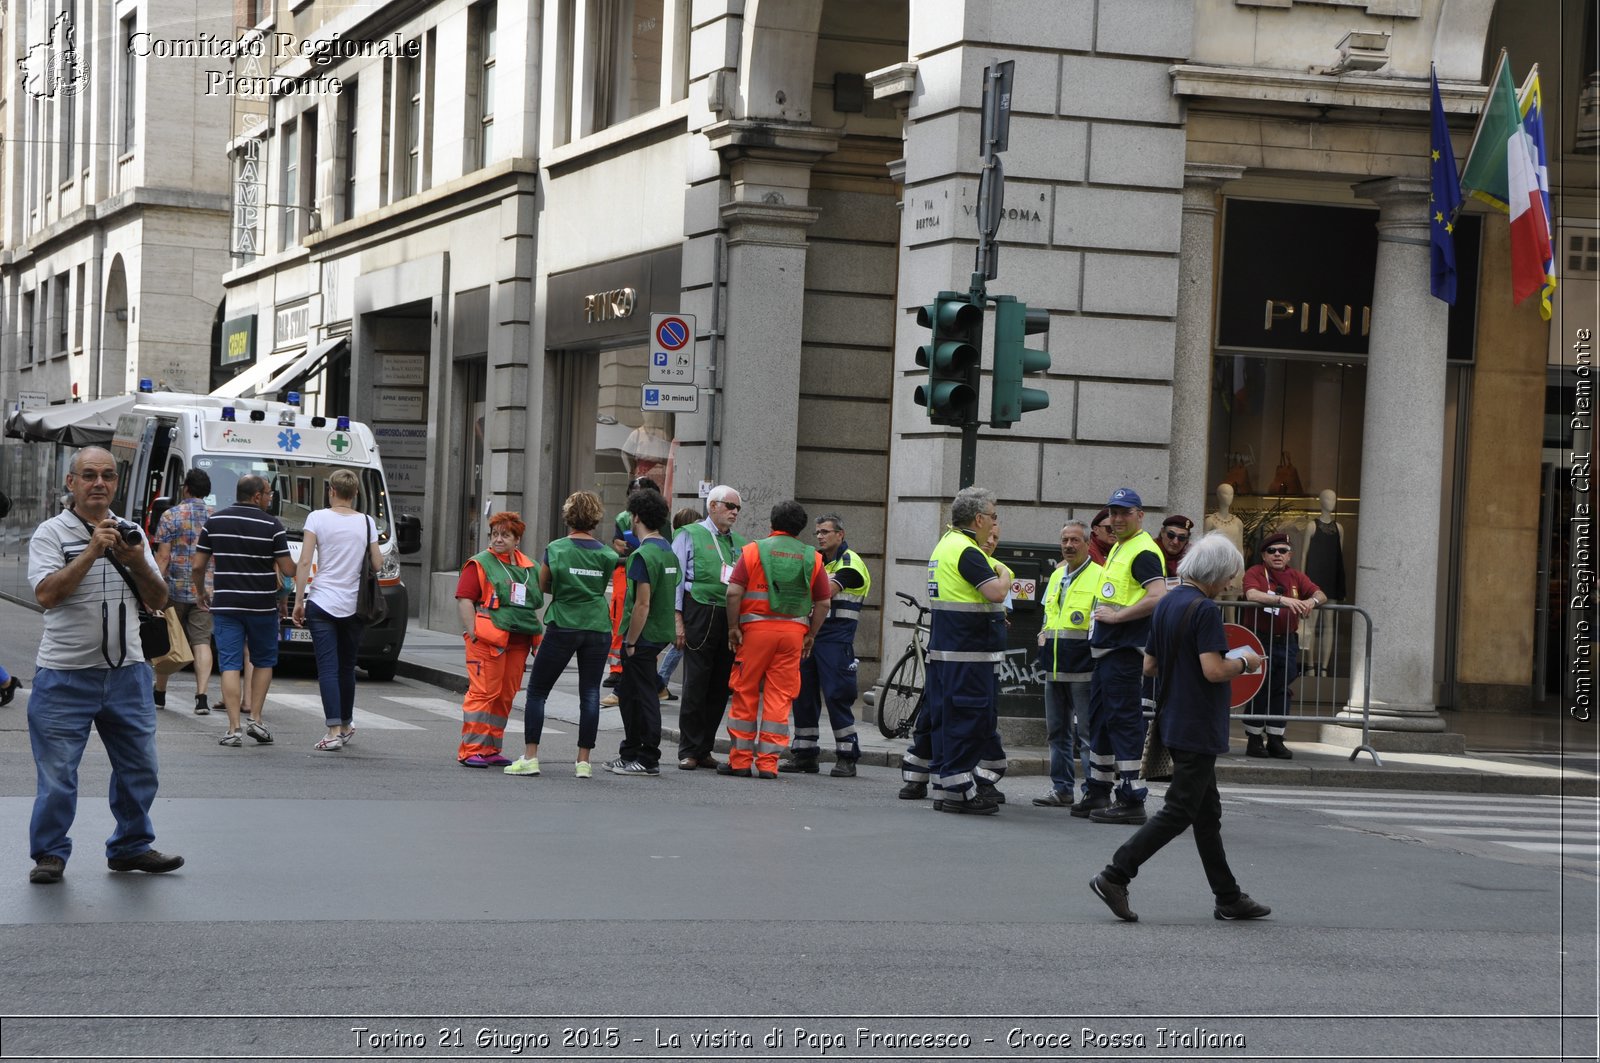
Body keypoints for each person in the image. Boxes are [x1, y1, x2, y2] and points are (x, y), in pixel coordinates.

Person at [1089, 531, 1271, 924]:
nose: (1228, 586)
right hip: (1199, 721)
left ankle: (1228, 896)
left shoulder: (1169, 602)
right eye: (1228, 578)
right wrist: (1247, 662)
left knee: (1207, 813)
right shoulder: (1205, 610)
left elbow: (1150, 665)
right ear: (1216, 573)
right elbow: (1213, 669)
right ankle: (1115, 874)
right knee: (1180, 810)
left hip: (1175, 716)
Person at [26, 446, 183, 884]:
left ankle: (131, 846)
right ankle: (50, 854)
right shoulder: (50, 535)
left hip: (128, 673)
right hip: (64, 675)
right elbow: (46, 596)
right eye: (89, 475)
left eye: (108, 476)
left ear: (117, 483)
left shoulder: (133, 534)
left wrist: (136, 563)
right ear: (71, 483)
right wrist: (91, 552)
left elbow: (158, 599)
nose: (99, 483)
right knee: (58, 775)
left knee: (140, 768)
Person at [506, 491, 618, 779]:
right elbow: (599, 587)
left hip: (564, 622)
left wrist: (567, 587)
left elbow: (542, 585)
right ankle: (583, 761)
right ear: (595, 517)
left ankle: (530, 757)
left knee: (538, 692)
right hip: (597, 625)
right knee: (591, 694)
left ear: (568, 516)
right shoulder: (608, 554)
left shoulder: (556, 549)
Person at [718, 501, 830, 779]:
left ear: (772, 522)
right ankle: (768, 763)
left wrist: (733, 627)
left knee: (745, 692)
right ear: (801, 528)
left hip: (755, 632)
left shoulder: (755, 550)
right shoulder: (812, 557)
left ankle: (740, 761)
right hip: (793, 634)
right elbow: (824, 602)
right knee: (779, 696)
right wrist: (811, 635)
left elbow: (733, 593)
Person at [920, 486, 1012, 815]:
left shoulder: (945, 546)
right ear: (978, 518)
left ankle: (950, 785)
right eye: (993, 516)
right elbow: (996, 593)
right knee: (966, 720)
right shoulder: (968, 552)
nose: (994, 523)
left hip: (949, 654)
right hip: (968, 656)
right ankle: (959, 793)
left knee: (949, 720)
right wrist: (1003, 570)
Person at [1080, 487, 1168, 826]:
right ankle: (1099, 790)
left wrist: (1117, 618)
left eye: (1125, 513)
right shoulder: (1121, 547)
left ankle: (1131, 797)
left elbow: (1158, 596)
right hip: (1107, 651)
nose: (1117, 519)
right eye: (1113, 513)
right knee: (1102, 721)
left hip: (1125, 651)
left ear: (1140, 515)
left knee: (1123, 721)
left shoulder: (1143, 550)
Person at [193, 474, 295, 748]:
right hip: (262, 606)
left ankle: (233, 728)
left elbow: (198, 566)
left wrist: (201, 592)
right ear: (256, 496)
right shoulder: (272, 525)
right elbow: (288, 570)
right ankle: (257, 720)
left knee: (229, 664)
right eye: (269, 494)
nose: (270, 498)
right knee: (263, 661)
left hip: (226, 605)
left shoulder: (215, 522)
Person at [290, 470, 383, 752]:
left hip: (322, 601)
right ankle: (345, 724)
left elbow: (305, 561)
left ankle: (332, 731)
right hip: (354, 604)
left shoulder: (316, 518)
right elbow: (377, 564)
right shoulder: (367, 522)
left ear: (331, 490)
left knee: (327, 668)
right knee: (347, 666)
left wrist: (298, 600)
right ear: (355, 493)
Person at [780, 513, 869, 777]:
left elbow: (825, 591)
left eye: (825, 532)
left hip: (835, 640)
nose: (819, 536)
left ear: (840, 534)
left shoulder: (852, 563)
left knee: (837, 696)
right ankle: (805, 754)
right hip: (809, 636)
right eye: (817, 532)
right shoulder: (816, 560)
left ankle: (847, 756)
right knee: (803, 696)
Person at [455, 511, 543, 768]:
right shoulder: (480, 563)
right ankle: (471, 749)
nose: (498, 539)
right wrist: (473, 632)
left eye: (505, 535)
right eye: (495, 534)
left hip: (518, 642)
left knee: (505, 694)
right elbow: (465, 599)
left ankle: (491, 748)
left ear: (517, 539)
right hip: (487, 641)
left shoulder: (529, 567)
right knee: (483, 693)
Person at [605, 489, 681, 776]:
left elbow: (642, 603)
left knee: (643, 696)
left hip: (642, 635)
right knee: (630, 693)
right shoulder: (667, 552)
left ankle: (647, 756)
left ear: (635, 517)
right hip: (661, 630)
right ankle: (631, 752)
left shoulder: (642, 556)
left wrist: (632, 641)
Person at [671, 485, 748, 770]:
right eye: (729, 506)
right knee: (696, 682)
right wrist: (677, 618)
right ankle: (688, 749)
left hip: (729, 615)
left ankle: (704, 748)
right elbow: (676, 578)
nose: (734, 512)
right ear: (712, 506)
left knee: (719, 685)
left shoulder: (739, 542)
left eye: (738, 507)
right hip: (699, 609)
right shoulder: (689, 534)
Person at [1241, 531, 1325, 759]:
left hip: (1287, 641)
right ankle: (1255, 739)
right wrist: (1282, 599)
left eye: (1282, 551)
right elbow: (1251, 594)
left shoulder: (1296, 576)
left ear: (1290, 555)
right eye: (1272, 551)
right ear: (1264, 555)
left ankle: (1276, 739)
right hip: (1261, 640)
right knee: (1261, 688)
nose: (1277, 554)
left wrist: (1311, 601)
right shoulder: (1256, 572)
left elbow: (1320, 594)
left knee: (1281, 690)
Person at [1032, 520, 1099, 808]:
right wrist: (1042, 634)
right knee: (1056, 732)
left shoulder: (1099, 576)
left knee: (1087, 734)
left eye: (1075, 540)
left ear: (1087, 544)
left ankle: (1093, 791)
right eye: (1064, 540)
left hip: (1083, 667)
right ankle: (1062, 789)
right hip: (1054, 666)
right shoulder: (1058, 575)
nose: (1069, 545)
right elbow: (1048, 614)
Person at [152, 468, 215, 715]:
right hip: (206, 590)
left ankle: (160, 693)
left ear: (186, 488)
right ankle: (201, 697)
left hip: (173, 589)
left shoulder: (171, 516)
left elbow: (163, 556)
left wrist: (154, 588)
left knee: (166, 641)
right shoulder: (215, 517)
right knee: (202, 642)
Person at [602, 476, 661, 706]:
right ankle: (617, 668)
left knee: (640, 615)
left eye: (641, 490)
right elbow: (616, 542)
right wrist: (623, 545)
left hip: (641, 566)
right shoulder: (622, 517)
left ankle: (639, 680)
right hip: (625, 568)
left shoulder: (657, 516)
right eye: (634, 489)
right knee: (619, 618)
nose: (636, 493)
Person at [652, 506, 703, 702]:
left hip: (677, 605)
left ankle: (659, 683)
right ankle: (659, 682)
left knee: (676, 645)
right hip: (679, 606)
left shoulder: (678, 543)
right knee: (676, 644)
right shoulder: (683, 542)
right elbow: (677, 579)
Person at [1297, 488, 1346, 676]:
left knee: (1329, 623)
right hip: (1314, 577)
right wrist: (1302, 580)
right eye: (1327, 498)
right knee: (1311, 623)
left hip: (1332, 578)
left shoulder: (1339, 528)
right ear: (1320, 501)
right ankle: (1310, 665)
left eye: (1334, 498)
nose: (1331, 501)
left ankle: (1324, 666)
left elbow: (1339, 556)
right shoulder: (1312, 526)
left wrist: (1341, 581)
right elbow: (1303, 554)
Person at [1205, 484, 1245, 596]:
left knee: (1231, 610)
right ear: (1218, 495)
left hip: (1234, 569)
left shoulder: (1238, 522)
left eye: (1231, 494)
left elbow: (1240, 548)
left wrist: (1241, 573)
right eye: (1225, 493)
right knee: (1215, 606)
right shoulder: (1210, 521)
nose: (1228, 497)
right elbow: (1204, 549)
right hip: (1215, 569)